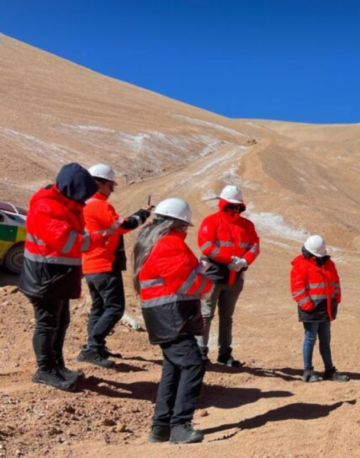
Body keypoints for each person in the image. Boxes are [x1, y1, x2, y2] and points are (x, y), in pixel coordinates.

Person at [19, 163, 105, 391]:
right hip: (44, 276)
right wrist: (96, 240)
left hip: (58, 276)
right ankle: (45, 370)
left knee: (61, 322)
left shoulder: (66, 204)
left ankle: (57, 365)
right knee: (47, 324)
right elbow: (67, 241)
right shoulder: (46, 207)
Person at [134, 198, 212, 444]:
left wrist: (197, 268)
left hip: (165, 315)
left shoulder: (155, 242)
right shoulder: (169, 244)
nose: (186, 230)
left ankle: (161, 428)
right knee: (192, 364)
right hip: (172, 316)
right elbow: (185, 283)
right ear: (176, 224)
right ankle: (180, 425)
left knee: (173, 369)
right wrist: (206, 282)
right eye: (185, 226)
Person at [78, 163, 151, 369]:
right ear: (99, 184)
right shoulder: (99, 205)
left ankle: (95, 346)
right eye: (110, 186)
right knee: (115, 308)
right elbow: (123, 226)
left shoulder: (86, 204)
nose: (111, 190)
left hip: (92, 264)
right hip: (103, 264)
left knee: (99, 308)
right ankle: (92, 348)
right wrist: (143, 214)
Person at [196, 185, 260, 366]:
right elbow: (206, 246)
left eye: (237, 205)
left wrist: (245, 261)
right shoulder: (211, 221)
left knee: (227, 316)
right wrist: (229, 258)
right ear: (222, 204)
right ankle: (200, 351)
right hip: (213, 274)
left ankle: (225, 352)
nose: (234, 209)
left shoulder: (247, 225)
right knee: (206, 314)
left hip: (235, 276)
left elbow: (255, 246)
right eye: (230, 205)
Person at [290, 235, 349, 383]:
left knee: (325, 340)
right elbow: (297, 289)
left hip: (326, 308)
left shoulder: (329, 264)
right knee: (310, 339)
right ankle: (308, 371)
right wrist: (307, 306)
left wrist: (336, 299)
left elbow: (335, 282)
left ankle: (329, 371)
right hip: (310, 310)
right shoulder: (301, 265)